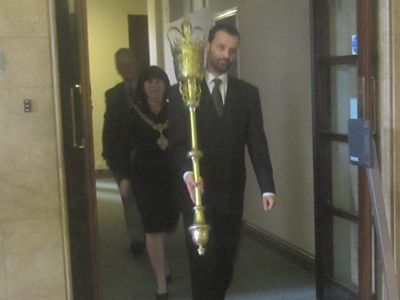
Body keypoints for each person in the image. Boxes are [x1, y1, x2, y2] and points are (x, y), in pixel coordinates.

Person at [168, 23, 278, 300]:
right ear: (207, 46)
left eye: (232, 50)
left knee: (226, 262)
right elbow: (177, 143)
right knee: (202, 264)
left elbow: (257, 141)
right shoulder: (181, 91)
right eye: (221, 47)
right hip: (197, 194)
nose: (226, 55)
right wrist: (186, 175)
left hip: (231, 193)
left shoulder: (247, 94)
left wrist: (267, 186)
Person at [117, 66, 179, 300]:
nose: (154, 86)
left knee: (170, 226)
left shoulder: (175, 111)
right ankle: (161, 282)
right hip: (144, 177)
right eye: (149, 82)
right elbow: (122, 148)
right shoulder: (133, 113)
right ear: (143, 86)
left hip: (172, 176)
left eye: (159, 81)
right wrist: (124, 177)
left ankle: (164, 262)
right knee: (153, 228)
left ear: (165, 85)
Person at [102, 48, 145, 255]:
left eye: (129, 62)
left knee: (149, 198)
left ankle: (153, 235)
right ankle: (137, 238)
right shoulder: (112, 95)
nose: (126, 67)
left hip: (148, 156)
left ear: (137, 63)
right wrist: (109, 156)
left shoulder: (151, 88)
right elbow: (108, 127)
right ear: (118, 69)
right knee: (129, 200)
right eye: (121, 64)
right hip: (122, 157)